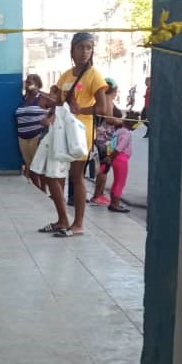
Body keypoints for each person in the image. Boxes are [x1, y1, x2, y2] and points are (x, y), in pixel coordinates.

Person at [38, 32, 111, 238]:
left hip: (81, 133)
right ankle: (62, 219)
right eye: (80, 47)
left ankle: (78, 224)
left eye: (89, 47)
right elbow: (60, 101)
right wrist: (50, 110)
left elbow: (103, 109)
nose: (85, 52)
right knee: (53, 175)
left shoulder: (94, 76)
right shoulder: (66, 75)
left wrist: (81, 110)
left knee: (76, 176)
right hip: (61, 131)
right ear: (72, 50)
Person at [88, 78, 120, 206]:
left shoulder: (101, 100)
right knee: (104, 168)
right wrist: (123, 122)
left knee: (103, 167)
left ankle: (99, 194)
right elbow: (109, 119)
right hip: (105, 140)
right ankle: (97, 195)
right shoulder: (107, 100)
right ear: (114, 90)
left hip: (102, 138)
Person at [15, 74, 48, 192]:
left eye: (30, 82)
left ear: (37, 84)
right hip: (22, 137)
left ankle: (44, 189)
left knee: (38, 167)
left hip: (37, 136)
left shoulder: (42, 98)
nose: (27, 84)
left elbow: (57, 106)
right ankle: (37, 190)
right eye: (26, 82)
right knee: (29, 166)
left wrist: (48, 120)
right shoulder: (23, 99)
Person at [106, 108, 132, 213]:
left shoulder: (118, 131)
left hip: (116, 159)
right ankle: (115, 204)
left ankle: (113, 202)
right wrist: (111, 157)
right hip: (121, 158)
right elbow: (119, 147)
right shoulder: (127, 134)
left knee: (116, 181)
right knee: (120, 182)